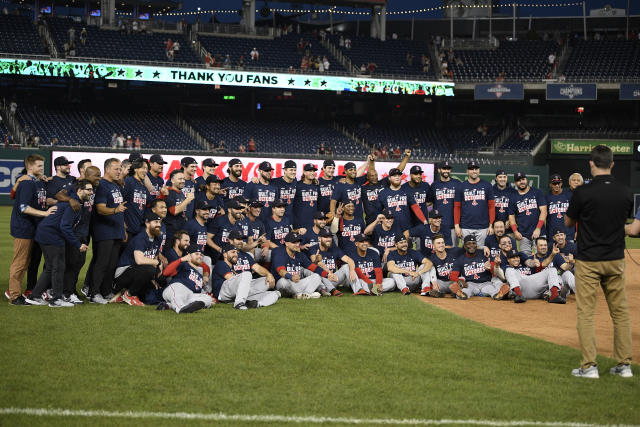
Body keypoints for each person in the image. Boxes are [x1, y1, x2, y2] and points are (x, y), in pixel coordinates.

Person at [565, 145, 633, 379]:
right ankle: (624, 366)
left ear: (591, 164)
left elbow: (567, 222)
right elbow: (623, 222)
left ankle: (589, 367)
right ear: (612, 164)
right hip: (615, 259)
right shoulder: (625, 191)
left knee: (586, 313)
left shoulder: (582, 192)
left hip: (588, 261)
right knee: (621, 313)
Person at [89, 158, 126, 304]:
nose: (119, 171)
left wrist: (123, 228)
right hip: (104, 231)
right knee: (102, 263)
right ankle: (94, 293)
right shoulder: (102, 185)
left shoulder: (115, 186)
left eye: (120, 169)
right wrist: (116, 210)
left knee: (111, 264)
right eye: (116, 169)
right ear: (107, 169)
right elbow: (100, 208)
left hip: (116, 230)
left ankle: (106, 291)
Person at [113, 211, 164, 306]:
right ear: (147, 223)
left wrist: (153, 278)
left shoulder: (157, 238)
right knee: (150, 270)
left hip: (139, 271)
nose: (159, 225)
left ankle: (122, 294)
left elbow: (153, 259)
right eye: (155, 222)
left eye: (159, 222)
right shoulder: (140, 238)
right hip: (123, 273)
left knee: (158, 281)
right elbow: (139, 260)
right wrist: (158, 262)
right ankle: (129, 294)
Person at [212, 244, 280, 310]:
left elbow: (241, 283)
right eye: (233, 252)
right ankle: (239, 303)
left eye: (236, 252)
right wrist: (248, 284)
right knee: (247, 274)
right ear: (225, 254)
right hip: (223, 293)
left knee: (275, 292)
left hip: (237, 294)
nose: (235, 254)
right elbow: (231, 279)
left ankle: (257, 303)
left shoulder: (231, 267)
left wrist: (269, 275)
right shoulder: (221, 264)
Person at [271, 232, 334, 299]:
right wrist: (291, 277)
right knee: (283, 282)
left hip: (296, 283)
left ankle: (305, 294)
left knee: (316, 276)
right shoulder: (279, 252)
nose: (297, 245)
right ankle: (306, 293)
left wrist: (327, 275)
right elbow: (281, 271)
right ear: (286, 243)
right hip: (283, 283)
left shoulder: (300, 255)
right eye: (294, 242)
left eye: (298, 242)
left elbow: (312, 267)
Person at [449, 235, 509, 301]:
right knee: (467, 290)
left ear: (476, 245)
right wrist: (458, 280)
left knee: (491, 289)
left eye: (474, 243)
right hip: (470, 283)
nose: (471, 245)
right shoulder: (460, 259)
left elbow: (494, 273)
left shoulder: (485, 254)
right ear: (464, 246)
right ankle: (461, 294)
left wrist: (490, 268)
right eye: (468, 243)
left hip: (486, 283)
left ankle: (498, 294)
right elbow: (452, 275)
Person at [161, 245, 214, 314]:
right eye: (196, 254)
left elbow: (205, 267)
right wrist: (181, 260)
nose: (200, 256)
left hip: (190, 294)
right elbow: (165, 273)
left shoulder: (200, 276)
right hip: (176, 287)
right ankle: (180, 309)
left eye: (201, 255)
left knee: (208, 299)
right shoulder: (184, 265)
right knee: (178, 294)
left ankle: (169, 305)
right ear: (189, 255)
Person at [454, 161, 495, 248]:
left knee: (481, 251)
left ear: (479, 170)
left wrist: (491, 225)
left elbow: (491, 207)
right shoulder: (461, 186)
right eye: (471, 169)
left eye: (476, 169)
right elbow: (457, 207)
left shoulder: (487, 185)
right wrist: (457, 225)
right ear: (467, 171)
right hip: (466, 226)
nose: (474, 171)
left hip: (483, 227)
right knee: (466, 251)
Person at [508, 172, 547, 256]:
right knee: (525, 259)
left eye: (523, 179)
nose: (521, 182)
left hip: (539, 232)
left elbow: (544, 211)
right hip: (523, 234)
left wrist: (538, 228)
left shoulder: (537, 192)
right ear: (515, 183)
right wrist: (515, 231)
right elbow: (511, 216)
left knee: (542, 257)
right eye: (518, 180)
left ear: (526, 180)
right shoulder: (513, 197)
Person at [428, 160, 459, 247]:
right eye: (444, 168)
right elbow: (429, 203)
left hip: (453, 225)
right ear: (439, 170)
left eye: (448, 169)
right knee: (437, 249)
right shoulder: (434, 185)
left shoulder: (457, 183)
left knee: (453, 251)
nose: (446, 171)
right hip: (438, 225)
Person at [164, 169, 194, 243]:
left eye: (183, 179)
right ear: (172, 180)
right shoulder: (169, 193)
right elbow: (174, 211)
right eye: (180, 179)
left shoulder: (180, 193)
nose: (183, 181)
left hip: (179, 231)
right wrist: (188, 199)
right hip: (170, 233)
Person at [547, 173, 575, 242]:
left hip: (569, 234)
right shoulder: (546, 198)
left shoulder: (569, 195)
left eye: (558, 183)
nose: (557, 185)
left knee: (570, 252)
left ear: (561, 183)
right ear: (550, 184)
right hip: (552, 235)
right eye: (554, 183)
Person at [293, 163, 319, 230]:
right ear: (304, 172)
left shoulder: (316, 186)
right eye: (310, 171)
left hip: (313, 224)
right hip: (300, 224)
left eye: (313, 171)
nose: (312, 173)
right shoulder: (297, 185)